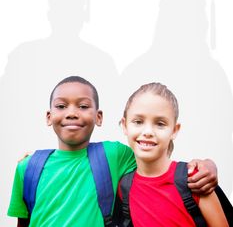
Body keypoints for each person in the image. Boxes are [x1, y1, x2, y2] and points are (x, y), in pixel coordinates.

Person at [8, 76, 218, 227]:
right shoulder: (28, 167)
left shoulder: (114, 155)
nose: (71, 113)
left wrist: (207, 164)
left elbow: (155, 161)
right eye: (61, 106)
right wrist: (31, 163)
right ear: (48, 116)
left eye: (82, 106)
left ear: (99, 117)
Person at [119, 82, 229, 226]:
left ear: (174, 130)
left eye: (160, 124)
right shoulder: (123, 187)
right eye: (138, 121)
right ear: (125, 125)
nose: (147, 132)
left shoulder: (195, 180)